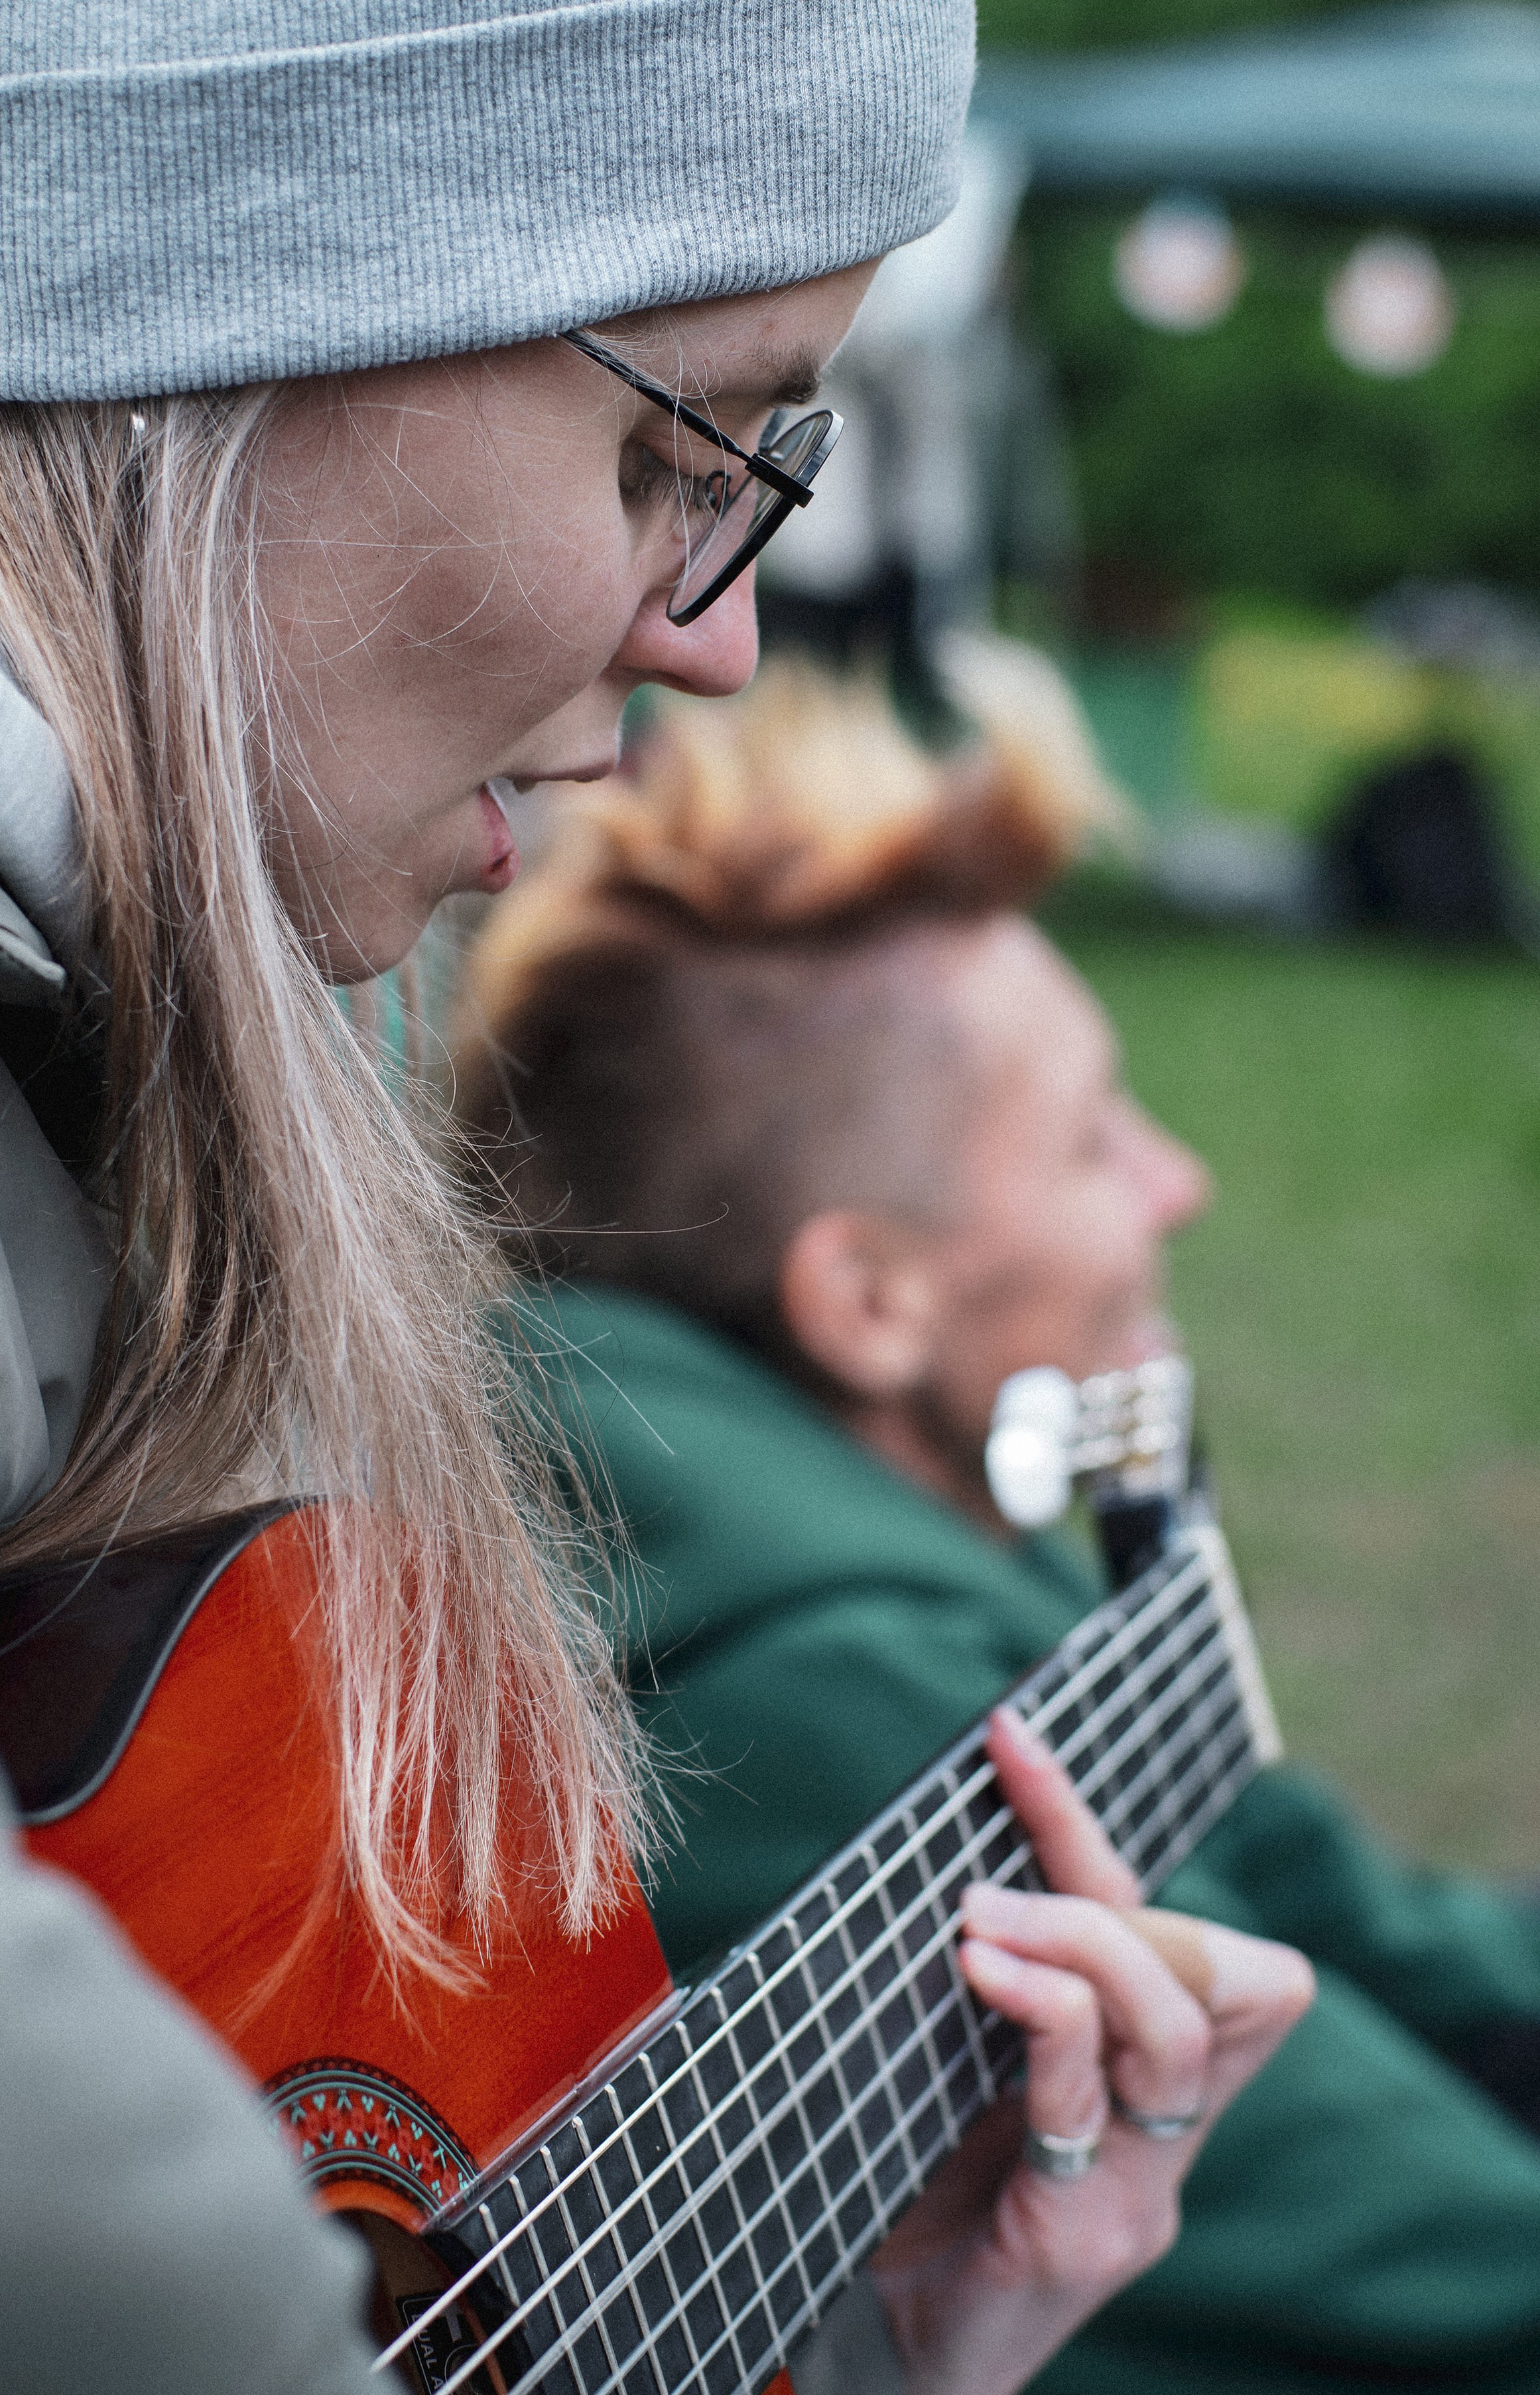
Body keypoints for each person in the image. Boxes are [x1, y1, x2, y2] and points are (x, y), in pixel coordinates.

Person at [0, 0, 1312, 2392]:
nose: (720, 628)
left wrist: (859, 2337)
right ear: (237, 292)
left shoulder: (205, 1013)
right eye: (690, 451)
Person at [455, 663, 1540, 2395]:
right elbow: (1450, 2262)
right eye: (1094, 1135)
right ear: (869, 1298)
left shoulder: (911, 1507)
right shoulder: (836, 1699)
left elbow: (1364, 1924)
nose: (1176, 1180)